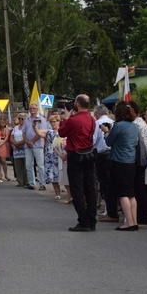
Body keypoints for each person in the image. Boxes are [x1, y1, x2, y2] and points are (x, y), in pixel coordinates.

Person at [58, 95, 97, 232]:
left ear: (78, 104)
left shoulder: (73, 120)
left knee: (77, 189)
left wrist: (67, 118)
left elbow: (61, 132)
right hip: (89, 154)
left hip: (76, 155)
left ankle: (83, 221)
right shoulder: (92, 119)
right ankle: (92, 220)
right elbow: (91, 133)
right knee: (90, 188)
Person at [104, 101, 139, 231]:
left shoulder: (118, 126)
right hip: (131, 161)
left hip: (119, 161)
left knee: (122, 193)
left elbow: (109, 142)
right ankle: (134, 220)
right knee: (131, 193)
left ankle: (129, 222)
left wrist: (106, 132)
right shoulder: (134, 126)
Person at [94, 105, 116, 221]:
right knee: (111, 183)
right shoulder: (113, 122)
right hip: (113, 155)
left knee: (105, 184)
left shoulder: (97, 123)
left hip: (102, 155)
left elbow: (93, 140)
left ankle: (110, 211)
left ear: (97, 113)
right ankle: (108, 209)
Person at [23, 103, 48, 190]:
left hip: (38, 145)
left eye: (34, 108)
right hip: (27, 145)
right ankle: (31, 183)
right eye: (31, 108)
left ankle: (42, 184)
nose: (32, 110)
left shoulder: (41, 119)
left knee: (40, 165)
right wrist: (27, 141)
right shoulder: (27, 120)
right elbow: (24, 132)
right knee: (28, 165)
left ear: (37, 110)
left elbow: (41, 132)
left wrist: (32, 141)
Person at [45, 115, 62, 199]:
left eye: (54, 121)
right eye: (51, 122)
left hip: (60, 154)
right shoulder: (49, 132)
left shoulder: (62, 131)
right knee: (52, 175)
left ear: (59, 122)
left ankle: (69, 194)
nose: (52, 123)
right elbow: (39, 132)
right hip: (50, 155)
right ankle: (57, 193)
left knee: (62, 174)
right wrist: (34, 127)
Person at [11, 114, 28, 187]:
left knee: (26, 165)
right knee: (18, 166)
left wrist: (20, 143)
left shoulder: (27, 127)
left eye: (22, 119)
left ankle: (27, 182)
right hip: (16, 149)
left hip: (25, 148)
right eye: (19, 118)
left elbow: (27, 136)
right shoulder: (15, 128)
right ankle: (20, 181)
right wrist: (15, 143)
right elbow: (11, 137)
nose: (21, 120)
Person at [0, 116, 11, 182]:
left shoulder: (5, 127)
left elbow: (7, 137)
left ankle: (6, 174)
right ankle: (0, 174)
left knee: (3, 160)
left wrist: (1, 142)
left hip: (3, 143)